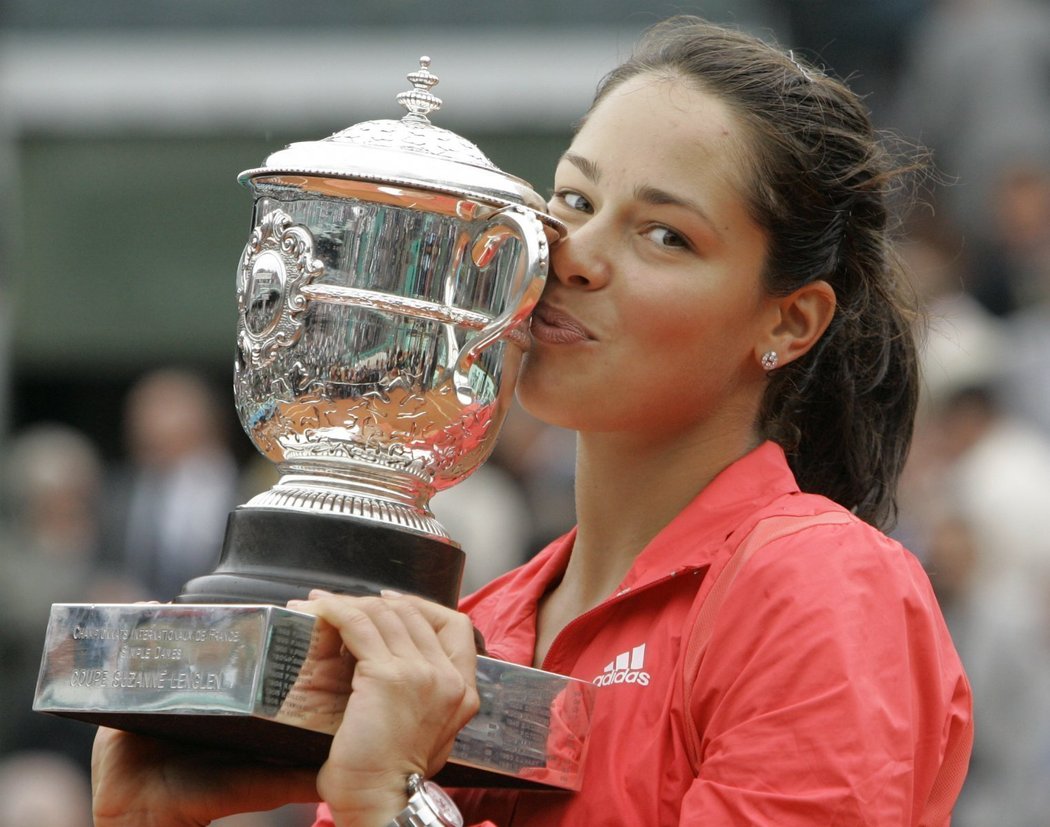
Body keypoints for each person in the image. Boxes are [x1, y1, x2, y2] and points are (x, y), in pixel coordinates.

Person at [90, 17, 973, 826]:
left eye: (665, 235)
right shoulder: (470, 627)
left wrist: (387, 805)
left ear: (787, 321)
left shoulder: (817, 586)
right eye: (576, 202)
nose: (576, 257)